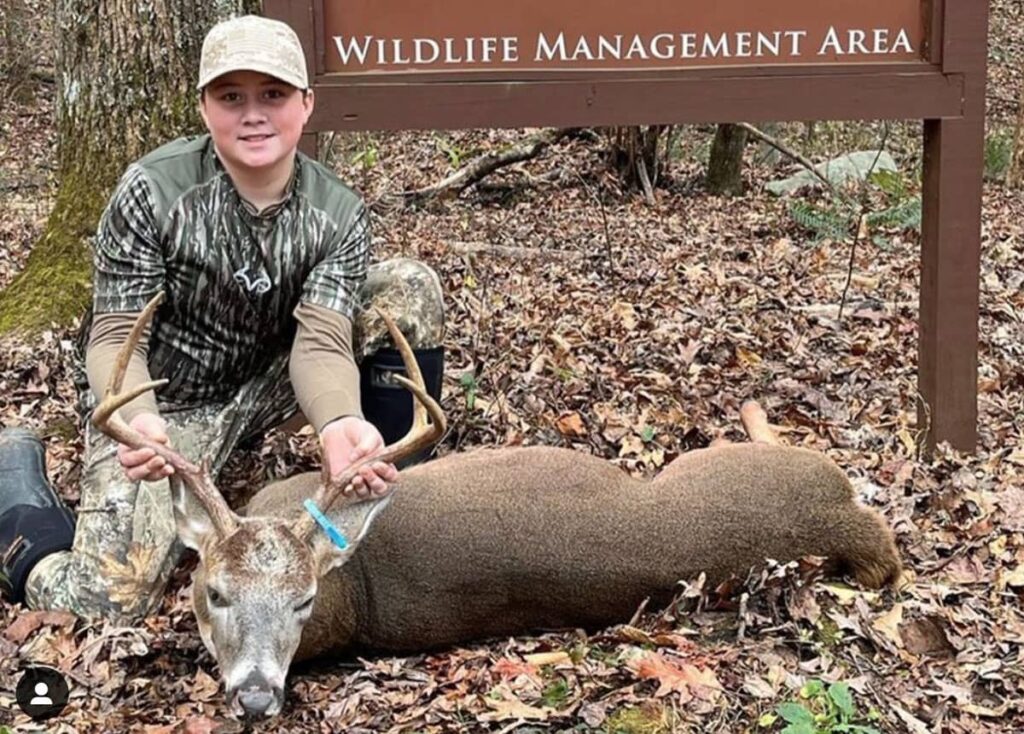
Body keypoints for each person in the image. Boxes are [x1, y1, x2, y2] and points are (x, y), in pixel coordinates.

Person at [0, 15, 444, 620]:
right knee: (105, 604)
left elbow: (320, 340)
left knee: (406, 287)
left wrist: (339, 421)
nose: (254, 114)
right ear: (205, 107)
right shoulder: (152, 191)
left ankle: (385, 494)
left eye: (274, 95)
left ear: (306, 105)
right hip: (166, 401)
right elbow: (113, 335)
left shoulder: (338, 213)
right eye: (232, 96)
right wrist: (141, 419)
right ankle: (18, 504)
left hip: (268, 380)